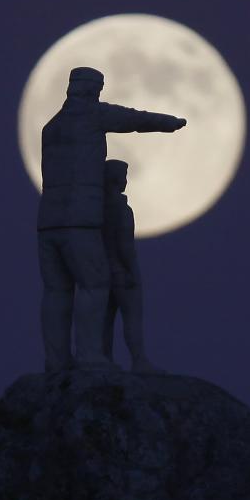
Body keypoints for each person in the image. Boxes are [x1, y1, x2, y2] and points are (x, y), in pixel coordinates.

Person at [37, 67, 186, 372]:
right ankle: (90, 356)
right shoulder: (92, 116)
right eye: (99, 88)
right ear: (92, 89)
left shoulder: (50, 127)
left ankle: (56, 360)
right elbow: (133, 119)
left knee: (56, 291)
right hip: (80, 220)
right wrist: (169, 123)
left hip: (48, 222)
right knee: (95, 285)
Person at [101, 160, 164, 374]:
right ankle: (139, 360)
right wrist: (132, 272)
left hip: (101, 273)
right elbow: (125, 246)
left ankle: (104, 359)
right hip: (121, 273)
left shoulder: (95, 209)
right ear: (118, 181)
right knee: (132, 318)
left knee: (104, 321)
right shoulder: (122, 209)